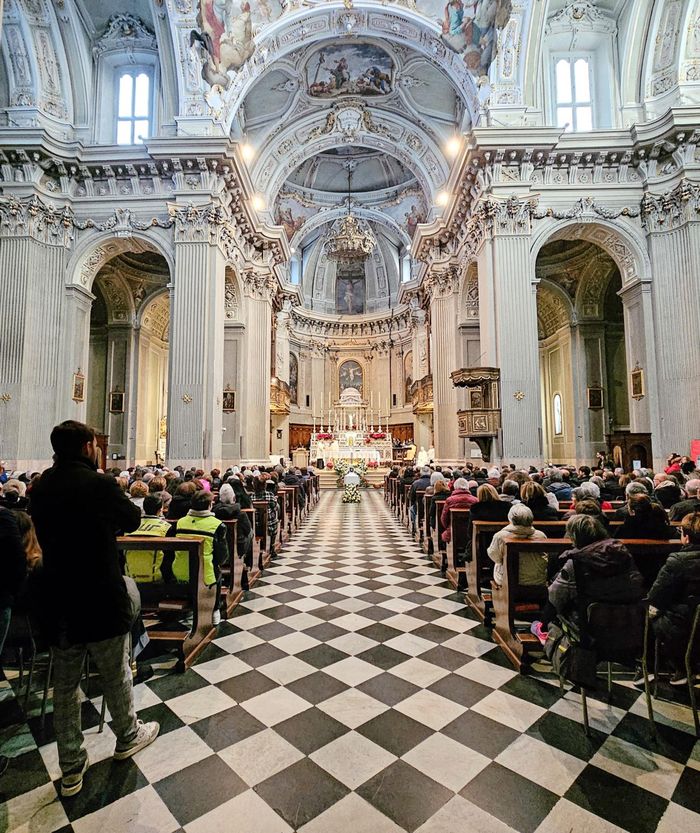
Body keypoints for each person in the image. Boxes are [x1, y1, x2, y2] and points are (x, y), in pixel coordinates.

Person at [30, 420, 159, 797]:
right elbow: (132, 519)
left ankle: (71, 765)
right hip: (99, 590)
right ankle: (128, 735)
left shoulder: (42, 486)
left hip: (58, 595)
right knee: (115, 671)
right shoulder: (98, 484)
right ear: (88, 447)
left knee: (64, 685)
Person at [531, 515, 644, 643]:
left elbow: (555, 597)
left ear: (575, 537)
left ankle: (543, 631)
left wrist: (544, 623)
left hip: (589, 629)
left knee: (554, 607)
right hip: (628, 623)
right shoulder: (622, 554)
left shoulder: (577, 562)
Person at [645, 511, 700, 685]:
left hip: (683, 622)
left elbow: (656, 596)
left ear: (686, 537)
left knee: (645, 618)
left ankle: (650, 667)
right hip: (693, 616)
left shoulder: (678, 561)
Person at [172, 489, 229, 624]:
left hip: (179, 570)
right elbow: (222, 556)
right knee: (217, 570)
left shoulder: (181, 522)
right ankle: (215, 610)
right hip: (205, 573)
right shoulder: (217, 524)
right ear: (210, 505)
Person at [487, 504, 548, 587]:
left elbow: (495, 557)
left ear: (510, 518)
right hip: (537, 580)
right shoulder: (541, 535)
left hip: (507, 580)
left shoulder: (500, 536)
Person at [214, 483, 253, 569]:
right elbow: (247, 530)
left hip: (219, 549)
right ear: (234, 498)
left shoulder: (214, 513)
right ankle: (247, 560)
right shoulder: (240, 514)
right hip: (238, 546)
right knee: (251, 532)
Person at [440, 477, 477, 543]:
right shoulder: (475, 500)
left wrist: (448, 527)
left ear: (455, 487)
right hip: (471, 532)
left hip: (453, 531)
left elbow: (444, 518)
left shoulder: (450, 500)